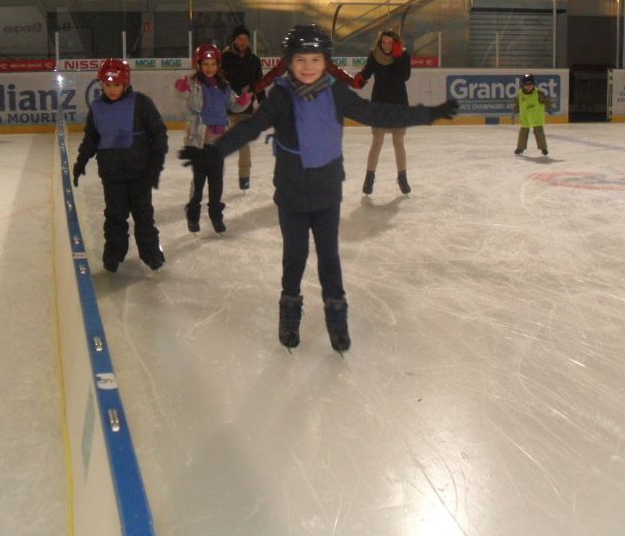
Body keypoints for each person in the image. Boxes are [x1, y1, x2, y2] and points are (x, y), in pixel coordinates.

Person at [179, 24, 458, 353]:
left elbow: (376, 111)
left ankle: (336, 316)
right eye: (301, 60)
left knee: (329, 258)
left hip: (327, 191)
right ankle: (290, 311)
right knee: (294, 257)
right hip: (292, 191)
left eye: (315, 59)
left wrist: (429, 114)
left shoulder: (336, 92)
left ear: (325, 61)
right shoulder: (282, 95)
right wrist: (213, 152)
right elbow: (252, 126)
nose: (308, 66)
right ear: (289, 62)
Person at [72, 59, 168, 273]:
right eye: (107, 85)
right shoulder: (97, 108)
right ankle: (114, 254)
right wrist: (81, 160)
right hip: (111, 174)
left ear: (125, 83)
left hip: (139, 174)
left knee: (143, 216)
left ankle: (151, 254)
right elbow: (91, 138)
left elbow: (158, 134)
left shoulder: (141, 103)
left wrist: (155, 165)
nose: (111, 90)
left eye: (115, 85)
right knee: (115, 216)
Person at [175, 43, 251, 233]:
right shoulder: (195, 84)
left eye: (213, 64)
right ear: (199, 65)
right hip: (199, 143)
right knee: (199, 183)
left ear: (218, 65)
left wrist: (242, 102)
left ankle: (216, 215)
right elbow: (183, 95)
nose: (209, 68)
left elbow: (234, 104)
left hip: (218, 144)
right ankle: (193, 215)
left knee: (216, 184)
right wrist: (181, 88)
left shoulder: (224, 86)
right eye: (205, 64)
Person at [354, 30, 413, 194]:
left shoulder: (403, 55)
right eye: (383, 42)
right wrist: (357, 79)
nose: (386, 45)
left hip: (398, 103)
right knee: (377, 142)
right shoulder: (374, 55)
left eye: (390, 42)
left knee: (398, 142)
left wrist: (398, 56)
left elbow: (404, 76)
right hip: (379, 103)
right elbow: (366, 72)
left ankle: (402, 179)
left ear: (395, 43)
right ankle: (369, 179)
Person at [221, 25, 264, 191]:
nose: (242, 41)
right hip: (224, 109)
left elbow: (258, 83)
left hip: (244, 108)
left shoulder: (254, 60)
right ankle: (215, 175)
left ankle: (244, 177)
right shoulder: (224, 58)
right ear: (234, 40)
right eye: (239, 38)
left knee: (243, 144)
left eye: (245, 38)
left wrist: (262, 103)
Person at [512, 73, 553, 156]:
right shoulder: (520, 94)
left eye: (530, 85)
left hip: (536, 116)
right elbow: (517, 104)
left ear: (533, 84)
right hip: (525, 117)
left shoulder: (538, 93)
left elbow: (546, 100)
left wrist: (548, 108)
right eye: (526, 85)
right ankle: (520, 148)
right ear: (522, 85)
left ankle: (543, 148)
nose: (528, 87)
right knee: (523, 133)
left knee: (539, 132)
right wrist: (515, 111)